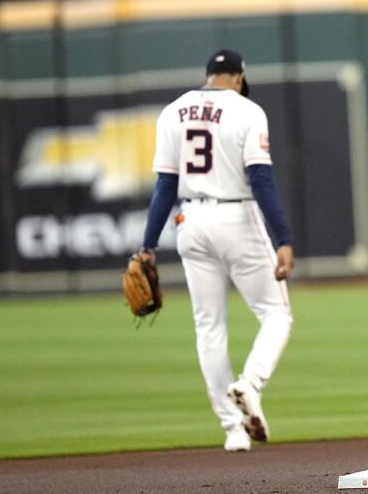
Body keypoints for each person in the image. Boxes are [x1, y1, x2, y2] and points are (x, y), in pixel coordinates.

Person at [138, 49, 295, 452]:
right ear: (239, 76)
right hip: (236, 218)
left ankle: (233, 430)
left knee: (209, 327)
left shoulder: (174, 111)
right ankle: (250, 384)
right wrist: (283, 239)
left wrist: (147, 245)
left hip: (190, 222)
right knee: (275, 314)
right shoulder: (247, 110)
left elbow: (165, 187)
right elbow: (261, 180)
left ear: (207, 75)